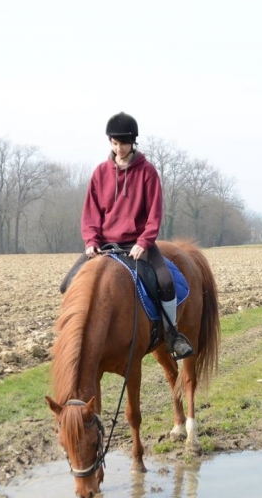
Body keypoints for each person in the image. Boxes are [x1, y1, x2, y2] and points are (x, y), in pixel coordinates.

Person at [65, 112, 195, 361]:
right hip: (104, 245)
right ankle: (72, 338)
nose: (119, 148)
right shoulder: (100, 173)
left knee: (166, 283)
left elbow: (154, 215)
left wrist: (143, 242)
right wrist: (91, 241)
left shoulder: (147, 172)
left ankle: (171, 335)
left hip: (138, 244)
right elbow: (91, 214)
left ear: (133, 142)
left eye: (123, 143)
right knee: (68, 283)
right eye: (115, 143)